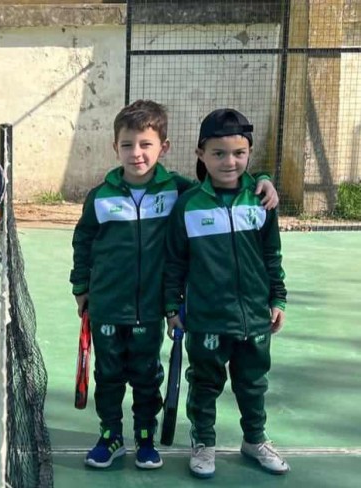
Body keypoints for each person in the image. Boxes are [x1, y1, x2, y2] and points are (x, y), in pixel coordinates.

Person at [70, 100, 279, 470]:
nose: (137, 153)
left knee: (147, 376)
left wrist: (262, 178)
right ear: (114, 147)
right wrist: (81, 286)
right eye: (127, 145)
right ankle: (111, 435)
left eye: (146, 144)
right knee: (108, 376)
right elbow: (83, 241)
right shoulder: (100, 197)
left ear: (163, 147)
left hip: (150, 309)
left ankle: (146, 438)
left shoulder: (180, 193)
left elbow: (224, 180)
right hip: (106, 305)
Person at [164, 108, 290, 479]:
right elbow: (175, 262)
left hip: (254, 316)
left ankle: (254, 440)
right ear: (201, 154)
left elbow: (272, 254)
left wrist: (278, 298)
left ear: (249, 153)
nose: (229, 161)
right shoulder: (189, 204)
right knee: (204, 385)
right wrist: (172, 304)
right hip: (206, 319)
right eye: (218, 153)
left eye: (238, 153)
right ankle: (203, 442)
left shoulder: (261, 200)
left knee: (253, 385)